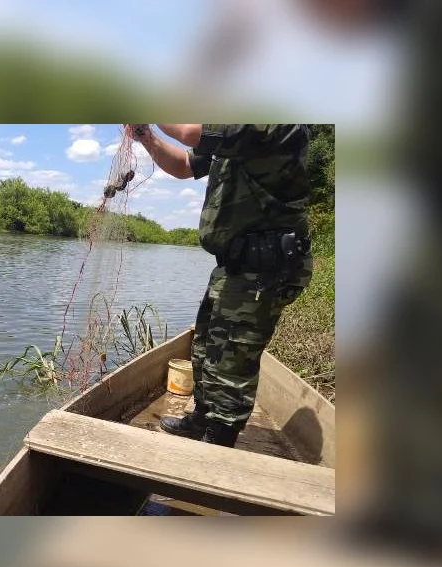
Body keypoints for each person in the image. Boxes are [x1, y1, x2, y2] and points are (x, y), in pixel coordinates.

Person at [128, 124, 312, 447]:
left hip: (262, 268)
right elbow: (185, 165)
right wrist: (147, 136)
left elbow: (187, 131)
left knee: (232, 364)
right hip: (233, 265)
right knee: (205, 351)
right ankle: (202, 418)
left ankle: (219, 442)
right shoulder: (232, 128)